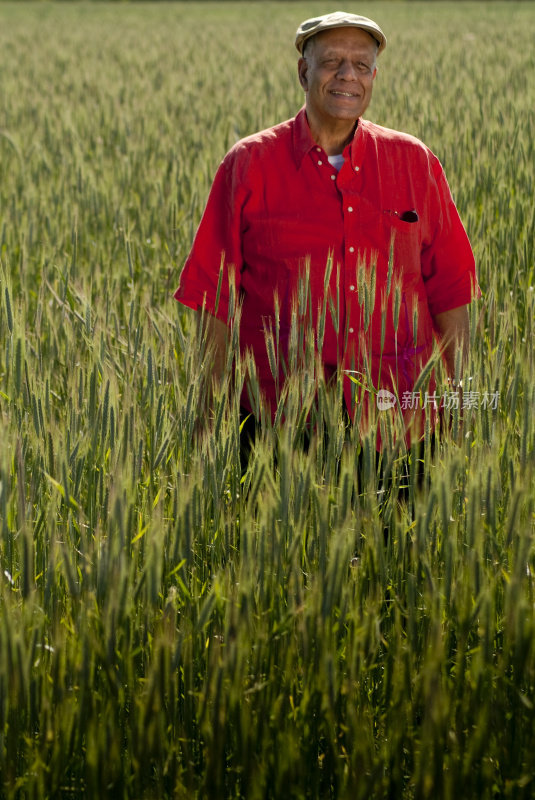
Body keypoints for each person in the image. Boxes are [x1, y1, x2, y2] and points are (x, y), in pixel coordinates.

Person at [174, 11, 479, 445]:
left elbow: (451, 289)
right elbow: (214, 296)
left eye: (360, 64)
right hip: (278, 420)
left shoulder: (414, 162)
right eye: (332, 61)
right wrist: (208, 418)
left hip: (402, 418)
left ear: (374, 75)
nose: (346, 76)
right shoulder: (249, 165)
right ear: (303, 72)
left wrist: (459, 403)